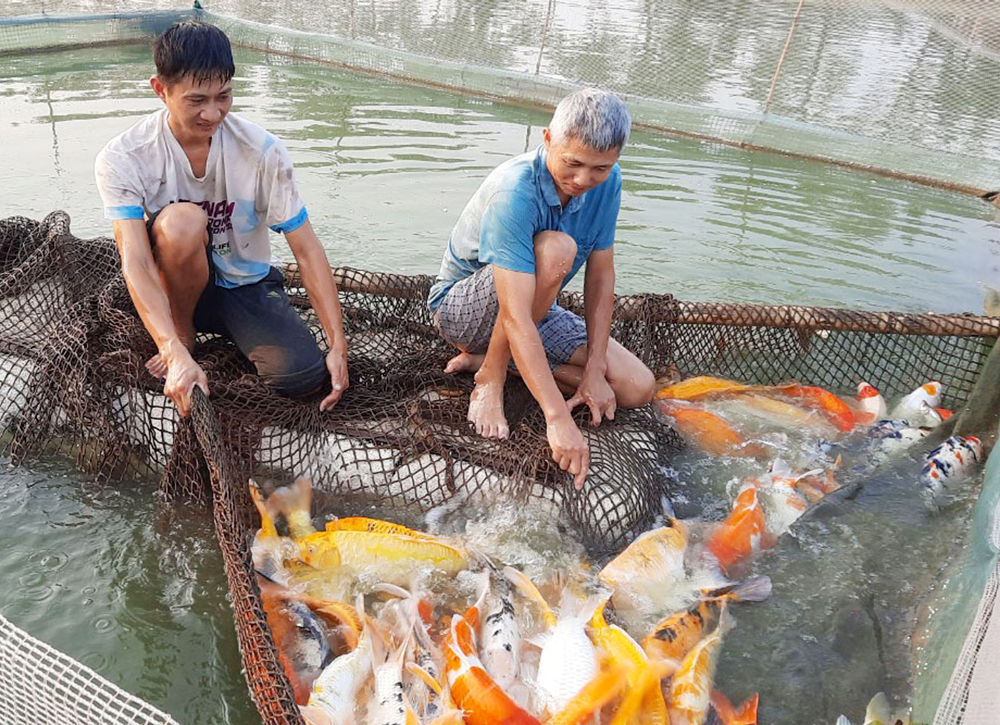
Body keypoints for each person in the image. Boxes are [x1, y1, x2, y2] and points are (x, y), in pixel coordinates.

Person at [95, 21, 348, 417]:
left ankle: (235, 325)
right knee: (182, 222)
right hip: (172, 276)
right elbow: (136, 259)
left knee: (299, 377)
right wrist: (171, 350)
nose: (212, 113)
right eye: (196, 100)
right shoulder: (125, 156)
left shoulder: (262, 151)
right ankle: (182, 331)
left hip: (243, 282)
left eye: (224, 96)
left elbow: (307, 249)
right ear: (160, 89)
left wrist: (337, 345)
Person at [428, 88, 655, 488]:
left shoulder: (608, 182)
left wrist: (595, 371)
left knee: (636, 386)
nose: (584, 179)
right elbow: (515, 316)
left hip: (534, 306)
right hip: (463, 310)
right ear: (548, 139)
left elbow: (601, 276)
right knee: (556, 250)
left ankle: (486, 361)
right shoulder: (514, 190)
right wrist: (558, 418)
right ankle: (490, 376)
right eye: (573, 163)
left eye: (601, 168)